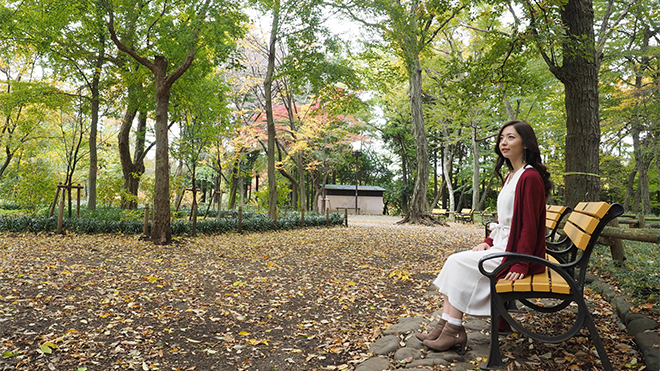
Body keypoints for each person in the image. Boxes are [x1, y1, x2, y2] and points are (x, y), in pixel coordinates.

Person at [416, 120, 553, 353]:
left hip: (516, 253)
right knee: (454, 261)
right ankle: (446, 325)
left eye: (511, 137)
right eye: (501, 138)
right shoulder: (512, 176)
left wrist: (520, 263)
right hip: (502, 246)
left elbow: (529, 226)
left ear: (526, 144)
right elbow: (504, 220)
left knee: (457, 262)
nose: (504, 142)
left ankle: (453, 330)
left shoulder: (529, 177)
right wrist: (488, 241)